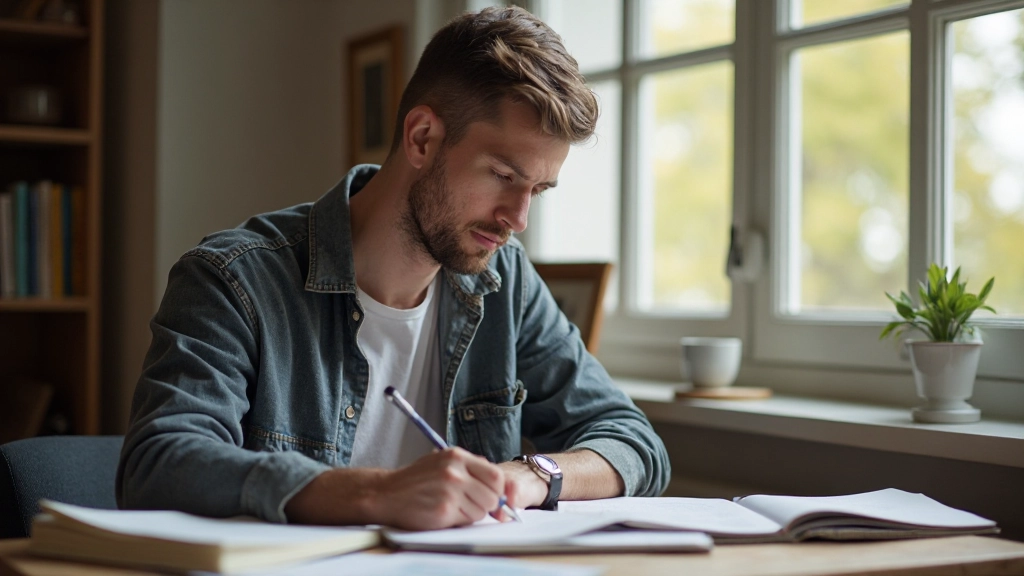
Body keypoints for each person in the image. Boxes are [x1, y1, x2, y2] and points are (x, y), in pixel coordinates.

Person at [117, 5, 670, 530]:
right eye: (503, 175)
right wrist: (379, 493)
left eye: (538, 190)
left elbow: (633, 441)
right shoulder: (235, 280)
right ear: (422, 138)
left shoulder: (506, 282)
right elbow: (159, 464)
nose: (517, 218)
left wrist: (531, 476)